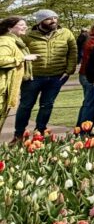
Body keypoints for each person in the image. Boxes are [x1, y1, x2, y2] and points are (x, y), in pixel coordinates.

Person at [13, 10, 77, 139]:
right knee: (26, 105)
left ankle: (40, 131)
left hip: (56, 77)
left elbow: (73, 52)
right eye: (49, 19)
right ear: (40, 22)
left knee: (47, 105)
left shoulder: (66, 33)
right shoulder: (28, 36)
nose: (53, 21)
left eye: (55, 18)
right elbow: (18, 53)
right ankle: (19, 134)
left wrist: (69, 70)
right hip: (33, 77)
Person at [0, 17, 37, 133]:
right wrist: (23, 58)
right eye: (21, 25)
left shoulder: (15, 42)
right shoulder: (5, 41)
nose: (25, 27)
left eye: (25, 25)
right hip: (2, 87)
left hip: (6, 87)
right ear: (9, 28)